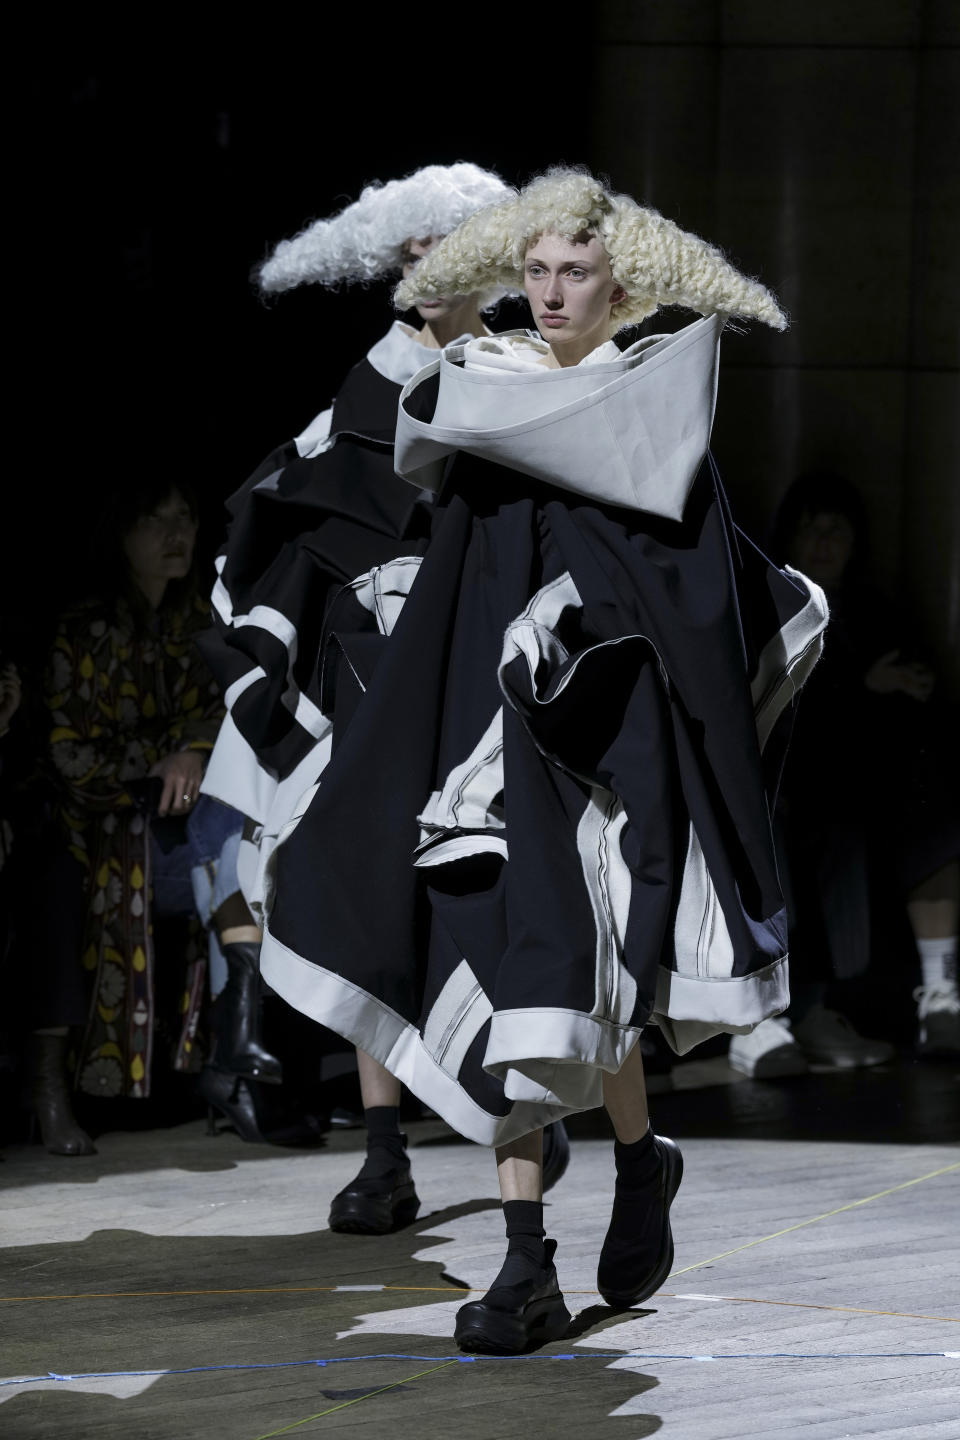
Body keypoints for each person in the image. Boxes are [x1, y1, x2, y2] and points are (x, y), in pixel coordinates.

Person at [256, 167, 828, 1352]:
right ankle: (525, 1265)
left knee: (581, 990)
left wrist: (587, 641)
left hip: (614, 746)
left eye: (576, 272)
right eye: (536, 270)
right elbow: (456, 573)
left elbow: (685, 588)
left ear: (620, 284)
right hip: (495, 743)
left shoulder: (651, 402)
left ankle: (635, 1156)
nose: (552, 290)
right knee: (521, 971)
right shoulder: (485, 395)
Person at [200, 162, 570, 1208]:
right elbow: (298, 511)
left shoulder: (514, 370)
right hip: (374, 665)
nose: (417, 268)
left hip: (484, 664)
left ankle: (534, 1125)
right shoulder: (370, 378)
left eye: (435, 251)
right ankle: (382, 1147)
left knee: (493, 894)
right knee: (366, 879)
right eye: (406, 251)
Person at [39, 478, 280, 1151]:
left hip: (181, 822)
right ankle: (230, 1070)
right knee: (216, 855)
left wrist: (196, 751)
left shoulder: (200, 622)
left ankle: (238, 1061)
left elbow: (225, 711)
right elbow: (64, 750)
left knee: (238, 847)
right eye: (156, 521)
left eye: (185, 519)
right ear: (122, 534)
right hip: (99, 824)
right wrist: (160, 763)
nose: (176, 535)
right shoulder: (82, 631)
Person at [730, 472, 958, 1076]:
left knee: (924, 796)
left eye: (839, 531)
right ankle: (764, 1018)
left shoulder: (873, 612)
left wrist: (909, 691)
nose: (827, 543)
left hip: (857, 781)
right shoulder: (765, 601)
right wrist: (863, 687)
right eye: (814, 529)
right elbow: (768, 711)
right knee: (778, 816)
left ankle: (935, 992)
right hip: (783, 781)